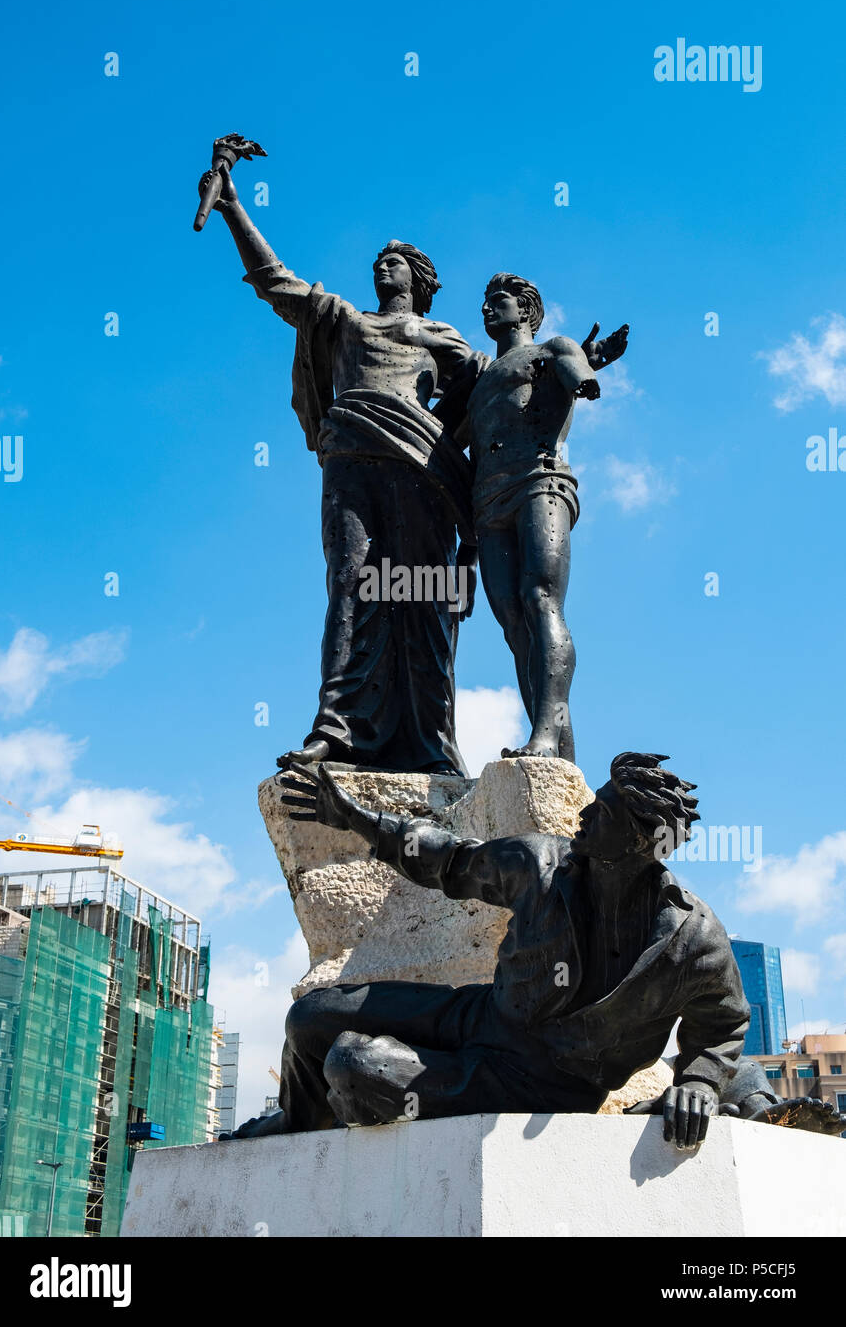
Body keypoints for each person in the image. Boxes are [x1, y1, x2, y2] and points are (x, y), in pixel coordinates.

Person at [222, 752, 844, 1148]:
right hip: (481, 1016)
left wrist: (703, 1084)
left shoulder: (691, 938)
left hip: (539, 1082)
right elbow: (449, 861)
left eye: (599, 812)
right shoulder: (541, 864)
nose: (582, 816)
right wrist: (354, 817)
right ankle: (298, 1123)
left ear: (636, 844)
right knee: (311, 1017)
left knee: (357, 1068)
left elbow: (724, 1023)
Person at [200, 162, 486, 774]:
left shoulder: (443, 337)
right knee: (352, 587)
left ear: (420, 278)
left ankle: (431, 741)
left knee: (422, 596)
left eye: (396, 261)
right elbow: (275, 283)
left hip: (422, 469)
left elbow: (488, 407)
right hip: (351, 456)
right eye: (379, 261)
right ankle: (337, 731)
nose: (382, 266)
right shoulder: (343, 319)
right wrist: (230, 206)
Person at [466, 273, 628, 761]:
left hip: (540, 482)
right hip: (487, 505)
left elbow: (576, 373)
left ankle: (544, 736)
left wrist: (585, 369)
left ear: (527, 310)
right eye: (485, 303)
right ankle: (562, 755)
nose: (488, 310)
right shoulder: (479, 383)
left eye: (499, 301)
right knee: (515, 626)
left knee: (540, 600)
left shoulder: (552, 349)